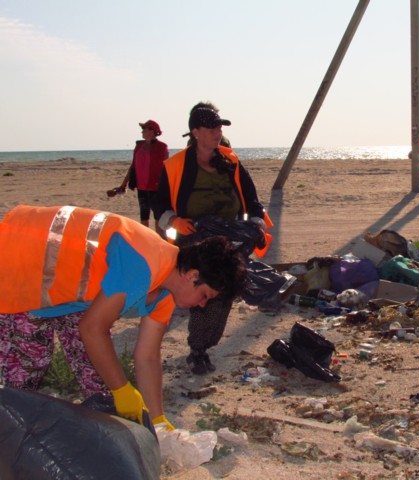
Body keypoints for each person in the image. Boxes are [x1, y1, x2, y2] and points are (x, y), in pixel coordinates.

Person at [0, 205, 246, 430]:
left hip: (64, 289)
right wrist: (122, 389)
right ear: (192, 276)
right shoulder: (145, 263)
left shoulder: (166, 292)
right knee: (28, 368)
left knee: (97, 374)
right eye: (205, 296)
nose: (201, 305)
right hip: (16, 261)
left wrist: (157, 419)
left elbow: (147, 357)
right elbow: (92, 328)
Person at [153, 101, 272, 375]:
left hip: (228, 242)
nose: (217, 132)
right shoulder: (175, 166)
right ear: (195, 132)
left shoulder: (231, 162)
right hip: (194, 242)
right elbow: (158, 204)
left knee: (223, 294)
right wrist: (174, 221)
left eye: (219, 128)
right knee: (201, 294)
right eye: (211, 128)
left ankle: (204, 346)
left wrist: (256, 225)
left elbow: (252, 199)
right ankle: (198, 349)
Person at [117, 119, 169, 236]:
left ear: (152, 131)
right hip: (142, 188)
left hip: (157, 188)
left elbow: (167, 167)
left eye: (144, 129)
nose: (142, 131)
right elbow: (133, 166)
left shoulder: (162, 147)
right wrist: (124, 184)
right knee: (144, 218)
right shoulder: (138, 146)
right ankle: (146, 241)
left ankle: (160, 242)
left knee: (158, 219)